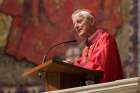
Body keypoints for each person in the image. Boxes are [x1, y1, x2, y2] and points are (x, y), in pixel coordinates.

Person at [71, 9, 123, 83]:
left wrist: (74, 66)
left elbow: (98, 66)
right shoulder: (86, 49)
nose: (75, 26)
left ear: (91, 21)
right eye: (74, 24)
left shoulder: (105, 39)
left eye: (79, 21)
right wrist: (71, 65)